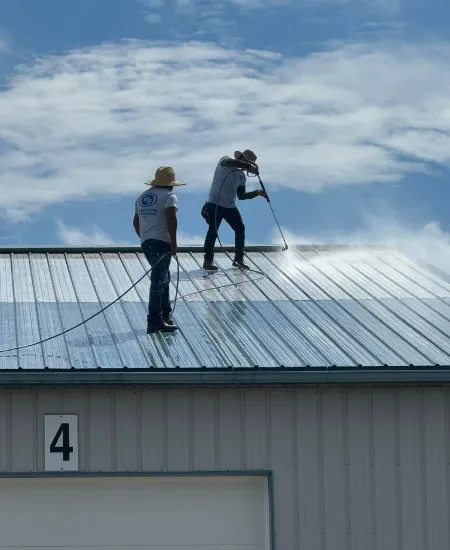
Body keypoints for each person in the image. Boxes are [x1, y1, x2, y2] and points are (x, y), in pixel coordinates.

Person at [133, 166, 184, 334]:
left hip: (146, 242)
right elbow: (171, 217)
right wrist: (173, 243)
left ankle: (165, 315)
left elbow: (136, 222)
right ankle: (154, 320)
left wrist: (144, 238)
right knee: (158, 280)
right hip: (161, 241)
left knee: (164, 277)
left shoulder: (142, 197)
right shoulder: (169, 196)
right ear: (170, 184)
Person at [202, 149, 267, 271]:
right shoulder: (224, 161)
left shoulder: (242, 176)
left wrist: (257, 193)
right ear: (242, 159)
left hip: (229, 206)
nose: (247, 169)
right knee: (213, 231)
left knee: (240, 228)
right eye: (247, 164)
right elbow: (229, 162)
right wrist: (248, 165)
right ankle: (208, 261)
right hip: (215, 203)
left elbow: (241, 196)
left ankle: (238, 259)